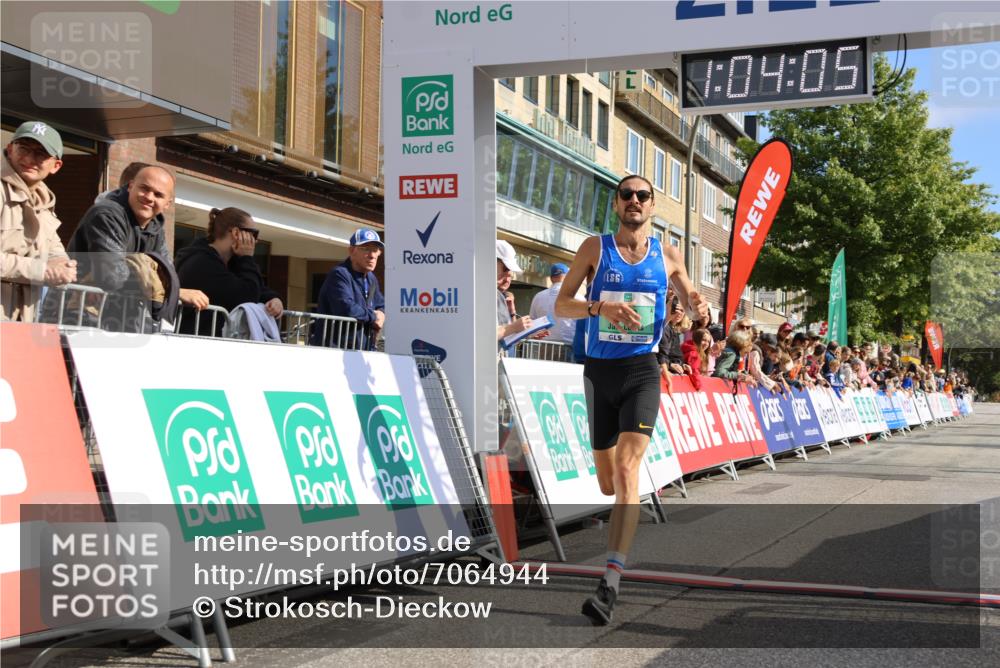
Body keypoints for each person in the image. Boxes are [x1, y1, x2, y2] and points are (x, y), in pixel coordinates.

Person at [554, 174, 708, 625]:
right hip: (600, 373)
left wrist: (699, 305)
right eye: (627, 195)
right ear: (616, 204)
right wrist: (598, 307)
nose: (634, 201)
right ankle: (616, 548)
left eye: (643, 195)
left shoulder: (668, 255)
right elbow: (561, 305)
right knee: (607, 483)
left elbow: (691, 300)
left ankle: (610, 582)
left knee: (626, 469)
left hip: (643, 371)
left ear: (653, 206)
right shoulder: (594, 249)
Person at [68, 165, 208, 327]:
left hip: (118, 320)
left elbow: (166, 273)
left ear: (167, 204)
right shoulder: (106, 215)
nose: (149, 197)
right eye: (144, 188)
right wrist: (174, 293)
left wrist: (157, 279)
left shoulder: (155, 227)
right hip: (79, 318)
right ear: (130, 186)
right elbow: (111, 276)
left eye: (158, 194)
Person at [1, 121, 77, 322]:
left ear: (56, 165)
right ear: (10, 149)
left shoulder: (44, 204)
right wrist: (41, 270)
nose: (29, 158)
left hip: (17, 324)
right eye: (23, 148)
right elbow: (44, 268)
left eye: (41, 154)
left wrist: (64, 268)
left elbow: (57, 254)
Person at [175, 207, 283, 336]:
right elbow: (246, 294)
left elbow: (258, 288)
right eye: (254, 234)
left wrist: (273, 298)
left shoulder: (231, 261)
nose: (256, 240)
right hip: (198, 342)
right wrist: (246, 257)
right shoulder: (201, 262)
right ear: (236, 233)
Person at [315, 228, 385, 350]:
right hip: (335, 350)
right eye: (366, 249)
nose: (372, 255)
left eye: (375, 250)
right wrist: (374, 316)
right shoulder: (339, 274)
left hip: (362, 350)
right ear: (352, 251)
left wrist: (382, 314)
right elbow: (346, 308)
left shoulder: (371, 278)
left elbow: (381, 305)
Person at [529, 262, 576, 345]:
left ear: (551, 278)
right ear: (568, 277)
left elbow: (532, 322)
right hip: (569, 345)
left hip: (543, 345)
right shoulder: (577, 297)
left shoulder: (538, 297)